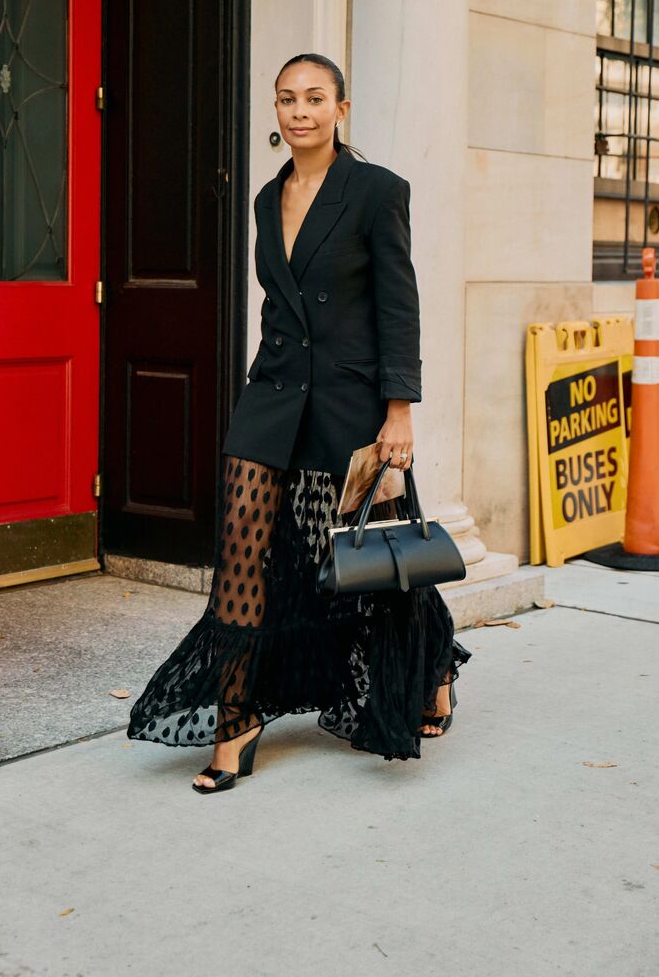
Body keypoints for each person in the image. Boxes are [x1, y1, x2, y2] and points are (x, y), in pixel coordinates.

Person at [127, 53, 470, 793]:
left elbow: (397, 307)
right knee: (242, 553)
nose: (300, 111)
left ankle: (433, 664)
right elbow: (277, 306)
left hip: (351, 402)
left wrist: (398, 411)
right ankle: (238, 714)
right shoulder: (264, 198)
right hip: (274, 395)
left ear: (341, 108)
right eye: (287, 99)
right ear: (276, 112)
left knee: (379, 563)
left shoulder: (378, 192)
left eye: (315, 98)